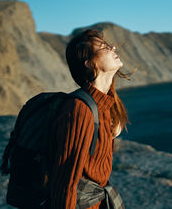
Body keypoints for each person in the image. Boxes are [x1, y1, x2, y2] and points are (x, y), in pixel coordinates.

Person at [47, 29, 134, 208]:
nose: (114, 48)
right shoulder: (79, 109)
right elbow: (66, 181)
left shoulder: (107, 105)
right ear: (88, 63)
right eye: (104, 47)